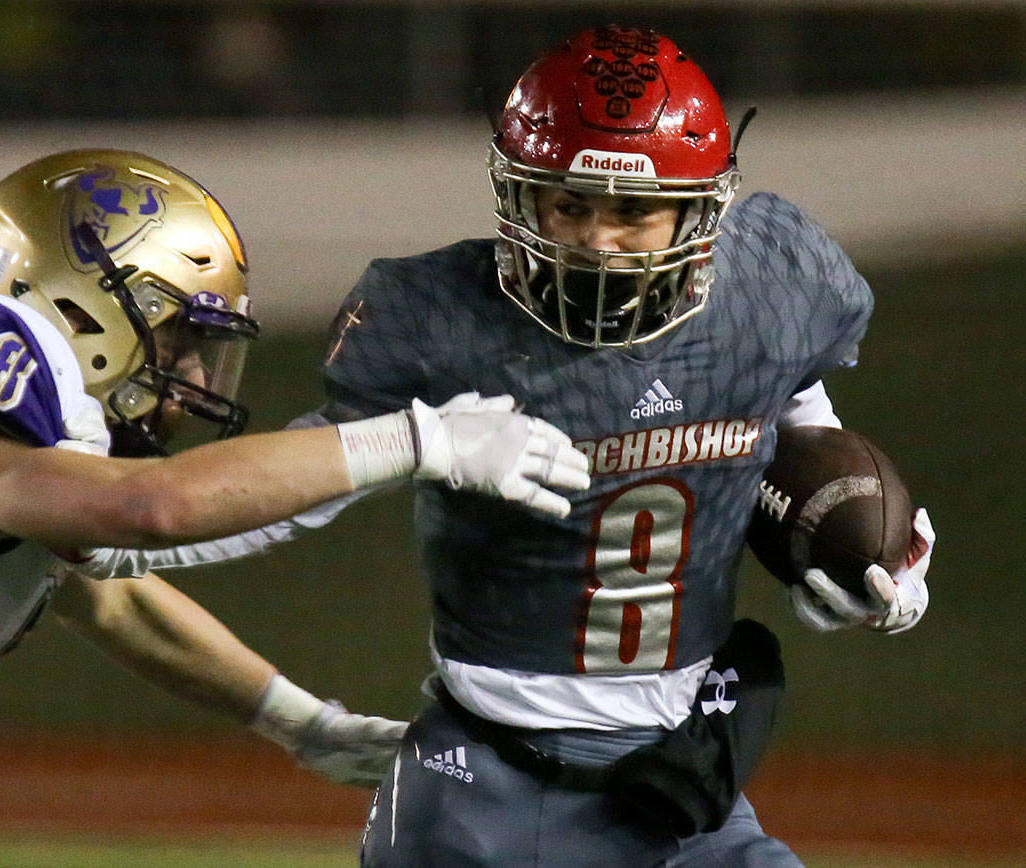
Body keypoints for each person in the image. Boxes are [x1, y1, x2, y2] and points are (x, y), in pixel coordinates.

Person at [90, 26, 937, 867]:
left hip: (684, 770)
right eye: (569, 204)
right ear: (520, 195)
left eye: (634, 211)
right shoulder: (440, 318)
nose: (596, 241)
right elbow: (307, 485)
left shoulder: (771, 288)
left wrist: (844, 529)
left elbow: (787, 396)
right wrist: (107, 533)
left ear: (701, 212)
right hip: (492, 779)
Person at [0, 149, 592, 864]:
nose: (193, 380)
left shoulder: (31, 452)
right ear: (96, 302)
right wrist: (415, 441)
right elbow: (145, 511)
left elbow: (106, 592)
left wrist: (299, 722)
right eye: (180, 340)